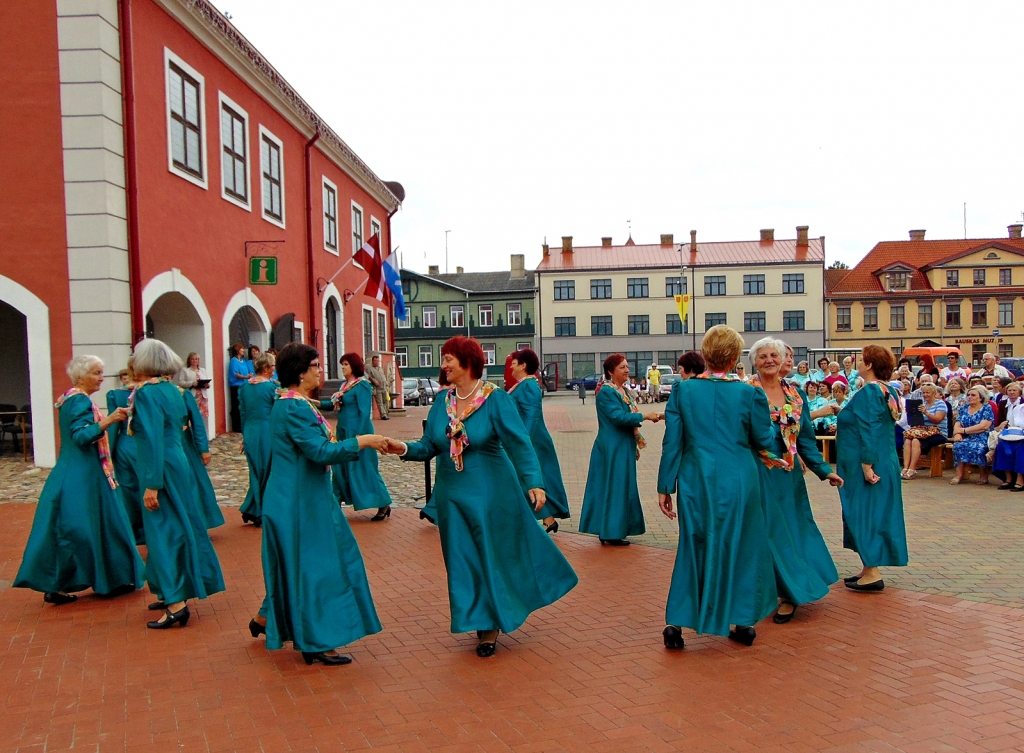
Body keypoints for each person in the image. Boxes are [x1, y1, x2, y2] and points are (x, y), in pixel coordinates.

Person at [388, 336, 578, 658]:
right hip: (451, 496)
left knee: (490, 555)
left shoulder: (495, 399)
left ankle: (489, 625)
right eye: (443, 358)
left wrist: (534, 481)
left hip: (492, 491)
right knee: (462, 560)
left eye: (449, 358)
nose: (444, 364)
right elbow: (429, 446)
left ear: (468, 361)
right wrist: (403, 448)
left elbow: (519, 442)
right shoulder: (441, 402)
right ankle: (476, 616)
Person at [249, 343, 386, 666]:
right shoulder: (294, 407)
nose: (320, 370)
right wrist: (364, 441)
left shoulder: (291, 403)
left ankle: (268, 618)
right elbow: (320, 453)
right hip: (301, 503)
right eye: (315, 365)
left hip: (299, 496)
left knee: (299, 566)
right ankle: (315, 640)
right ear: (300, 372)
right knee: (319, 569)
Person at [656, 325, 779, 648]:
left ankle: (677, 622)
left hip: (696, 476)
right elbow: (763, 439)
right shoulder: (750, 393)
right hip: (738, 476)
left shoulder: (683, 391)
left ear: (706, 354)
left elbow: (673, 442)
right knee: (741, 546)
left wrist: (665, 485)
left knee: (693, 544)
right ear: (736, 356)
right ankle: (739, 620)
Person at [14, 355, 142, 605]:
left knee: (77, 526)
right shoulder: (80, 400)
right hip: (84, 473)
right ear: (81, 377)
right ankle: (109, 579)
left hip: (77, 470)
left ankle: (62, 583)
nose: (101, 378)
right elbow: (81, 436)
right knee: (95, 525)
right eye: (96, 373)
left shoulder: (69, 398)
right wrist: (110, 420)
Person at [747, 337, 843, 624]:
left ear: (782, 359)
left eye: (774, 355)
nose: (769, 360)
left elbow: (807, 441)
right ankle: (767, 589)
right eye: (762, 356)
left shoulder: (796, 395)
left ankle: (790, 593)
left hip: (788, 475)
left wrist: (825, 471)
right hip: (757, 470)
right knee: (764, 532)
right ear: (754, 361)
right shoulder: (745, 392)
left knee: (792, 530)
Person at [130, 339, 225, 629]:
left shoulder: (146, 394)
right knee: (181, 524)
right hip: (178, 461)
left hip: (161, 465)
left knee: (162, 532)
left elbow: (152, 440)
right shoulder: (174, 391)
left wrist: (152, 482)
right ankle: (170, 589)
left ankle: (175, 602)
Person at [836, 345, 907, 592]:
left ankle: (873, 571)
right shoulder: (889, 390)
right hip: (885, 459)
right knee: (873, 512)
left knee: (864, 513)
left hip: (867, 463)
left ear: (868, 364)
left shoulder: (869, 392)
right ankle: (868, 567)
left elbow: (869, 429)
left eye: (861, 360)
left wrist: (867, 465)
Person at [580, 353, 661, 545]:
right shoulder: (607, 392)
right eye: (622, 367)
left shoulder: (622, 390)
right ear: (611, 371)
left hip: (621, 444)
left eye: (626, 366)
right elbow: (617, 417)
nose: (627, 370)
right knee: (614, 488)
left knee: (620, 488)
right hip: (612, 446)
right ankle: (610, 532)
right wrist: (645, 416)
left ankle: (612, 530)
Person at [321, 352, 393, 521]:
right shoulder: (343, 385)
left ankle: (383, 503)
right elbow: (331, 405)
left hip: (358, 432)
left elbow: (364, 411)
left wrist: (361, 436)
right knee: (340, 466)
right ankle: (335, 501)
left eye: (346, 364)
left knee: (365, 468)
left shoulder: (362, 385)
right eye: (342, 365)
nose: (343, 367)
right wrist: (313, 402)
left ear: (353, 365)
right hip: (344, 431)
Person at [508, 348, 571, 532]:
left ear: (523, 365)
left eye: (514, 362)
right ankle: (548, 519)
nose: (511, 366)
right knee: (528, 480)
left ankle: (541, 519)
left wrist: (523, 442)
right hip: (529, 439)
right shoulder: (523, 384)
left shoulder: (528, 386)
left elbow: (531, 416)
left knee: (531, 479)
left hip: (532, 441)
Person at [108, 358, 144, 545]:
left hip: (124, 443)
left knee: (128, 489)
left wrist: (110, 451)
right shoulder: (149, 391)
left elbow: (113, 427)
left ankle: (132, 529)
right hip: (143, 443)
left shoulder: (116, 395)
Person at [239, 352, 277, 526]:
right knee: (266, 470)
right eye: (273, 366)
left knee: (255, 470)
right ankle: (259, 510)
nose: (274, 369)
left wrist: (244, 437)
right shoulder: (270, 388)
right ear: (266, 368)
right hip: (266, 430)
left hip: (250, 431)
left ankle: (251, 507)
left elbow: (243, 413)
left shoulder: (245, 388)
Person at [180, 385, 225, 530]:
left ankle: (198, 521)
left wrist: (203, 448)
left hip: (184, 443)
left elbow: (197, 422)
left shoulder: (183, 394)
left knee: (193, 483)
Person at [899, 383, 948, 480]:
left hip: (938, 432)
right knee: (908, 440)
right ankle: (906, 468)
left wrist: (926, 412)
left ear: (934, 393)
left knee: (916, 441)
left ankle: (912, 469)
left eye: (927, 392)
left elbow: (937, 419)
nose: (925, 395)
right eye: (923, 392)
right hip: (922, 431)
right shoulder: (922, 404)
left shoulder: (941, 404)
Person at [951, 386, 995, 485]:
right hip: (966, 436)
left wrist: (963, 430)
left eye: (973, 395)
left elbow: (983, 426)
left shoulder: (986, 408)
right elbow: (957, 423)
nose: (969, 397)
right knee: (958, 446)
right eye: (968, 395)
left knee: (979, 448)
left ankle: (984, 473)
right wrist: (957, 433)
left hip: (982, 436)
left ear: (980, 398)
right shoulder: (963, 408)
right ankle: (959, 474)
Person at [993, 381, 1024, 490]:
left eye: (1014, 390)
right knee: (1001, 447)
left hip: (1022, 435)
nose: (1011, 392)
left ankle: (1020, 479)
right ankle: (1008, 479)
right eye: (1009, 390)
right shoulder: (1003, 403)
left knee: (1019, 448)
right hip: (1009, 432)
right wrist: (1001, 425)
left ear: (1020, 392)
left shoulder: (1022, 404)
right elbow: (998, 421)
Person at [176, 352, 210, 419]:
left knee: (201, 416)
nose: (195, 361)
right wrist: (191, 383)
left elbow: (206, 381)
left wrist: (207, 385)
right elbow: (180, 382)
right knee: (192, 414)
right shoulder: (185, 370)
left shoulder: (202, 370)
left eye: (196, 359)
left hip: (202, 396)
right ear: (189, 360)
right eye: (193, 359)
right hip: (192, 395)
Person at [228, 343, 253, 432]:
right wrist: (245, 377)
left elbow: (247, 371)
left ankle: (243, 424)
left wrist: (249, 376)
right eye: (242, 349)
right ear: (238, 350)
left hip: (244, 385)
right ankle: (236, 426)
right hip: (236, 386)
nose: (243, 350)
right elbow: (235, 374)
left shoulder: (243, 361)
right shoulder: (234, 361)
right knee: (237, 406)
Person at [365, 354, 390, 421]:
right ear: (372, 361)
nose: (377, 362)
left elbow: (383, 376)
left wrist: (386, 384)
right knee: (380, 402)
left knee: (385, 401)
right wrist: (374, 381)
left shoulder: (380, 368)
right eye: (375, 361)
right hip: (377, 388)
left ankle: (385, 413)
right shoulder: (370, 368)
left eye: (377, 361)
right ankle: (383, 415)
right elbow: (368, 376)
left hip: (384, 387)